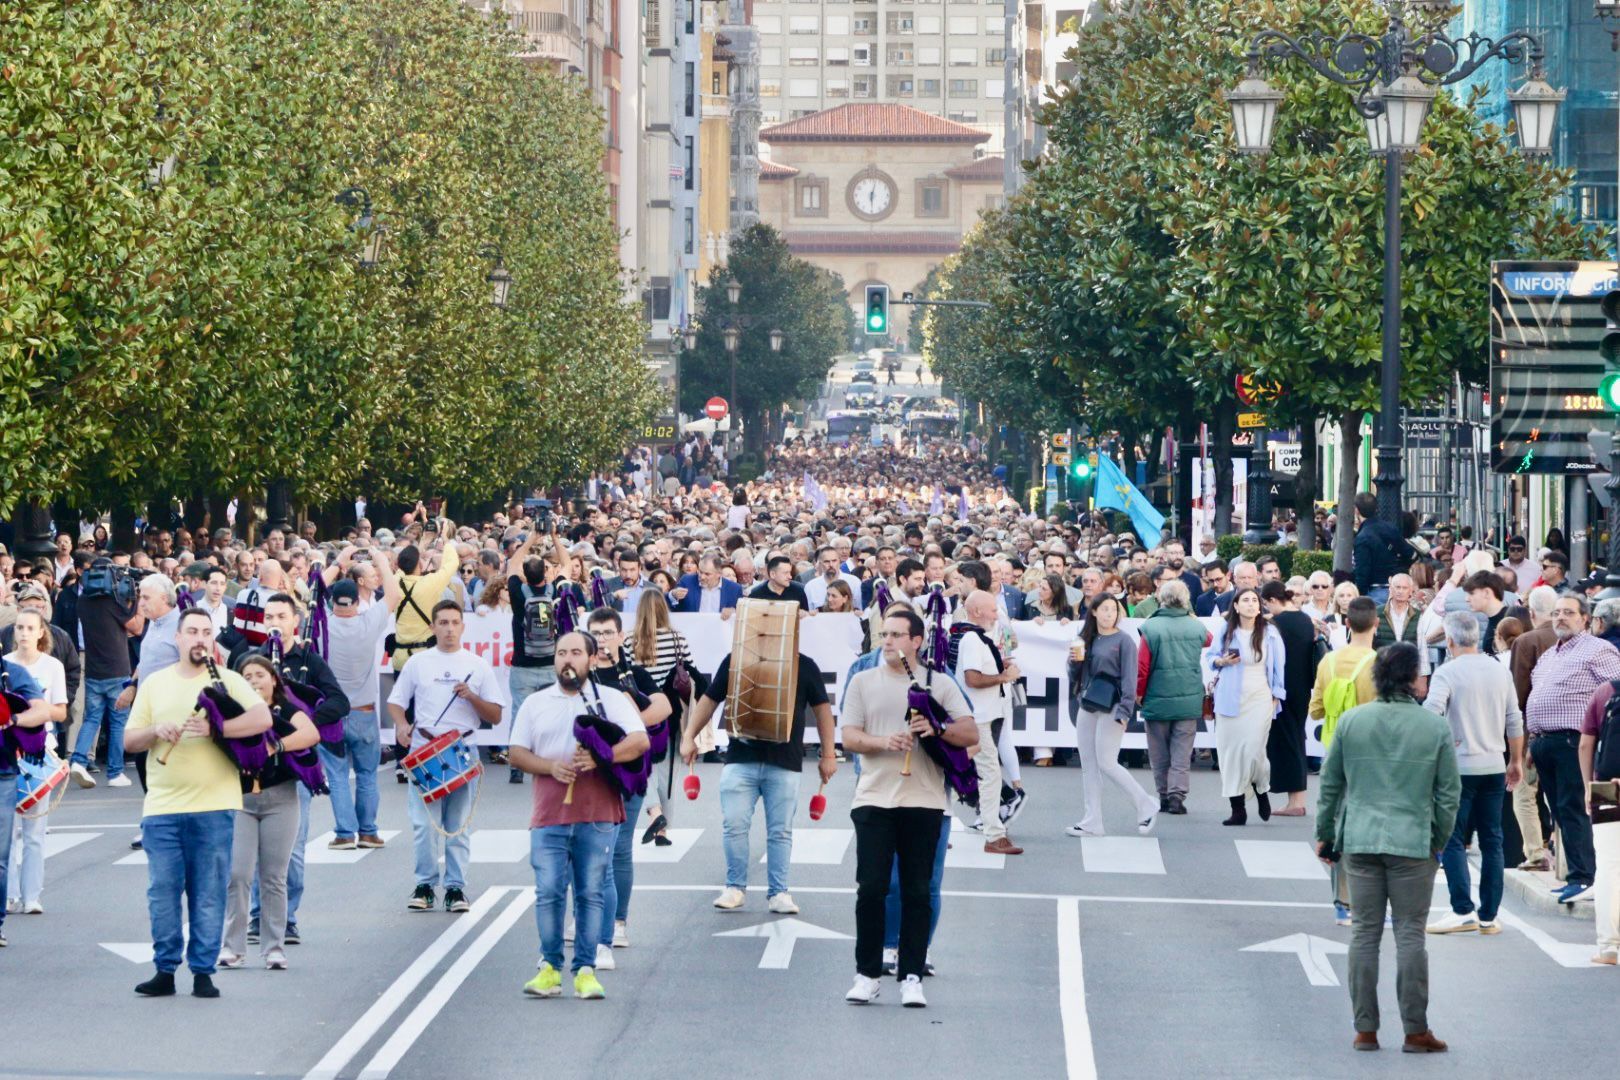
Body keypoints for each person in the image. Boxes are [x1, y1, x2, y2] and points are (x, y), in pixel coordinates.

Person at [1314, 643, 1458, 1054]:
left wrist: (1326, 832)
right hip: (1413, 840)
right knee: (1411, 933)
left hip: (1360, 837)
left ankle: (1365, 1029)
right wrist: (1437, 840)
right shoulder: (1434, 727)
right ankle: (1415, 1030)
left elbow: (1330, 784)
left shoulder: (1353, 722)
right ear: (1414, 678)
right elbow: (1449, 794)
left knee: (1364, 933)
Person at [123, 608, 273, 998]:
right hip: (162, 808)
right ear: (178, 637)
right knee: (163, 892)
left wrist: (217, 727)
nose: (200, 639)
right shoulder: (155, 683)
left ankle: (203, 971)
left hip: (215, 805)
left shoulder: (226, 680)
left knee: (208, 892)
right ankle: (165, 969)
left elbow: (262, 719)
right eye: (192, 631)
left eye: (207, 632)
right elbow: (129, 740)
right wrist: (156, 730)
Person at [840, 608, 977, 1008]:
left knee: (918, 890)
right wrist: (885, 743)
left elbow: (971, 734)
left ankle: (911, 974)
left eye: (897, 635)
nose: (888, 642)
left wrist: (938, 730)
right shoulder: (863, 681)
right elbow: (849, 736)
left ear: (916, 641)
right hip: (874, 798)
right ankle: (866, 974)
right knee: (872, 889)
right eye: (884, 634)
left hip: (925, 800)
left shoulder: (939, 683)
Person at [508, 632, 648, 1000]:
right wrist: (549, 767)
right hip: (549, 810)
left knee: (590, 891)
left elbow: (639, 741)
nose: (567, 660)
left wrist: (605, 756)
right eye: (560, 654)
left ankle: (585, 969)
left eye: (574, 653)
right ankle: (550, 968)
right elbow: (516, 752)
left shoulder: (610, 699)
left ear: (590, 659)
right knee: (549, 890)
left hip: (597, 810)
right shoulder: (536, 703)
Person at [682, 616, 836, 911]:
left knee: (780, 831)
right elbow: (710, 700)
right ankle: (734, 887)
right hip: (741, 757)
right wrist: (690, 735)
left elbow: (823, 711)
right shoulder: (736, 661)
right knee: (734, 825)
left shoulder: (804, 665)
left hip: (785, 761)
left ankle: (779, 892)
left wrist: (828, 754)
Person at [388, 601, 509, 913]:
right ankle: (425, 884)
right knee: (423, 824)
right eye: (443, 622)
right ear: (433, 627)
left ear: (463, 627)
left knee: (458, 824)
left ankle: (455, 887)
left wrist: (472, 697)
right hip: (424, 748)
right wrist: (402, 725)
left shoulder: (477, 665)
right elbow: (396, 701)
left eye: (455, 622)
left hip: (461, 750)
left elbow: (495, 715)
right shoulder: (418, 663)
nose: (449, 629)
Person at [1422, 611, 1523, 936]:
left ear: (1450, 640)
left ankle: (1462, 909)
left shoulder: (1448, 672)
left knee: (1451, 838)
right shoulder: (1498, 670)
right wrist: (1516, 760)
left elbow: (1432, 713)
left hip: (1457, 766)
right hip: (1494, 763)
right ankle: (1489, 915)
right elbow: (1514, 718)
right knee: (1492, 839)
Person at [220, 655, 320, 970]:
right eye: (246, 676)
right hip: (240, 801)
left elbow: (310, 734)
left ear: (273, 680)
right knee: (238, 874)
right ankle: (232, 947)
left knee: (275, 876)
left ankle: (274, 947)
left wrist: (275, 745)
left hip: (281, 799)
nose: (253, 680)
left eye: (260, 674)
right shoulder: (232, 714)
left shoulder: (285, 711)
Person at [581, 607, 668, 965]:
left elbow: (662, 707)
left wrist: (626, 724)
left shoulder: (634, 674)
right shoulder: (580, 676)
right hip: (591, 774)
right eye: (595, 633)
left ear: (620, 636)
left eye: (607, 633)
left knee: (618, 850)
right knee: (586, 848)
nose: (601, 640)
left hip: (629, 771)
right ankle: (587, 918)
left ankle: (617, 922)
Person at [1523, 594, 1620, 904]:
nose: (1560, 617)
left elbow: (1615, 692)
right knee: (1562, 812)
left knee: (1576, 808)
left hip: (1574, 741)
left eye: (1568, 612)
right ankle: (1579, 874)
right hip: (1544, 742)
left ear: (1585, 619)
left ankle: (1584, 877)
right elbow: (1537, 696)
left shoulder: (1598, 649)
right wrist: (1531, 741)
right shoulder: (1551, 654)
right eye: (1556, 612)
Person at [322, 554, 402, 848]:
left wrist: (338, 562)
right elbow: (393, 594)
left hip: (331, 714)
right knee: (367, 775)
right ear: (357, 601)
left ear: (333, 603)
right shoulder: (369, 622)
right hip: (364, 712)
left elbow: (310, 589)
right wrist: (381, 560)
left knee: (338, 775)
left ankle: (344, 834)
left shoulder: (323, 627)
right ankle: (368, 831)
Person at [1067, 594, 1157, 837]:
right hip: (1088, 703)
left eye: (1113, 610)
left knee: (1106, 761)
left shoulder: (1124, 640)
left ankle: (1145, 804)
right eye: (1104, 609)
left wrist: (1126, 710)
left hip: (1113, 705)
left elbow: (1130, 678)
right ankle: (1092, 820)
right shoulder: (1085, 638)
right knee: (1089, 764)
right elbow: (1074, 674)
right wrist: (1075, 661)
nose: (1109, 614)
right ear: (1094, 612)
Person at [1202, 588, 1286, 827]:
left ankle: (1261, 789)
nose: (1250, 604)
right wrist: (1221, 661)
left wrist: (1276, 697)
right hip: (1229, 698)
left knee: (1253, 750)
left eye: (1254, 600)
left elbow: (1279, 668)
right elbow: (1211, 658)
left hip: (1260, 697)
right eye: (1245, 600)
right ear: (1236, 606)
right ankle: (1237, 808)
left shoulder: (1270, 634)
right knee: (1229, 754)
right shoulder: (1226, 631)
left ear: (1260, 607)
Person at [3, 610, 66, 917]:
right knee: (8, 831)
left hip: (40, 750)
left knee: (34, 830)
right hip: (9, 751)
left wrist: (31, 712)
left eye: (30, 628)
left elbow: (60, 712)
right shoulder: (6, 665)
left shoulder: (52, 666)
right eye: (19, 627)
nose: (24, 632)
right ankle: (10, 894)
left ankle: (32, 896)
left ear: (41, 632)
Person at [951, 591, 1022, 854]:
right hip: (977, 719)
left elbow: (976, 672)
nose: (996, 614)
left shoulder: (973, 637)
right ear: (977, 611)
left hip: (979, 717)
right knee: (989, 774)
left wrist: (997, 666)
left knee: (962, 772)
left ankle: (986, 830)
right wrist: (1003, 676)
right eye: (993, 610)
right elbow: (972, 678)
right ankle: (994, 834)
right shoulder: (972, 638)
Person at [1135, 580, 1208, 816]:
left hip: (1157, 695)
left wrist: (1139, 692)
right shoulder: (1194, 626)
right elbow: (1209, 639)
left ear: (1161, 598)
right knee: (1182, 751)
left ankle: (1164, 795)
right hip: (1188, 697)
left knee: (1158, 751)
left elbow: (1142, 667)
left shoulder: (1151, 627)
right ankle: (1178, 794)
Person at [70, 557, 142, 789]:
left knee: (92, 718)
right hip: (118, 670)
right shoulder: (114, 601)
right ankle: (115, 772)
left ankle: (79, 760)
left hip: (93, 670)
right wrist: (137, 599)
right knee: (118, 722)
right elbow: (137, 627)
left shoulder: (82, 600)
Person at [1260, 580, 1316, 815]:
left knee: (1289, 742)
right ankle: (1296, 800)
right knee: (1296, 739)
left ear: (1273, 600)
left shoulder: (1277, 623)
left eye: (1265, 604)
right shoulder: (1304, 619)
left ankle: (1296, 803)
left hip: (1282, 689)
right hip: (1302, 688)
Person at [671, 553, 742, 615]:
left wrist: (734, 611)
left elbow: (742, 614)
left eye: (707, 574)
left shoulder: (734, 589)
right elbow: (671, 606)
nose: (702, 577)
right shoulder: (687, 581)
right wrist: (673, 595)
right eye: (700, 572)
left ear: (719, 574)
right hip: (692, 628)